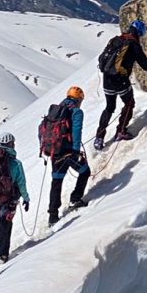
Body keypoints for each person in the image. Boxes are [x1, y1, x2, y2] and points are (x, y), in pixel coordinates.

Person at [93, 20, 147, 149]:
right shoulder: (134, 45)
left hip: (107, 79)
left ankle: (99, 138)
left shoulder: (116, 40)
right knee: (129, 103)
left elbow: (102, 58)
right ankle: (120, 131)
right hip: (121, 80)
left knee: (109, 108)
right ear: (140, 32)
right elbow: (146, 65)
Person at [40, 87, 90, 225]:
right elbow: (76, 130)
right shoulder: (76, 112)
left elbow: (42, 129)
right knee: (85, 171)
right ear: (79, 99)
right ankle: (75, 199)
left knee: (57, 181)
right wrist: (76, 150)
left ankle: (53, 216)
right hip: (69, 152)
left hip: (54, 151)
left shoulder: (56, 110)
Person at [0, 132, 30, 273]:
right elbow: (21, 183)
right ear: (11, 144)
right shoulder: (15, 163)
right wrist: (26, 198)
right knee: (3, 227)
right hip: (9, 200)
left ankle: (3, 254)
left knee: (6, 223)